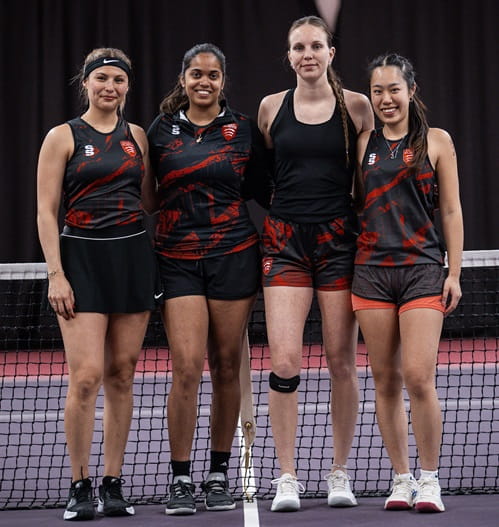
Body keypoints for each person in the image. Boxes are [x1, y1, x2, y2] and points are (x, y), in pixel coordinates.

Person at [143, 43, 271, 515]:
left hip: (234, 255)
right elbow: (148, 198)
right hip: (176, 259)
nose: (204, 82)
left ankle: (218, 473)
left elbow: (265, 189)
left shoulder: (242, 131)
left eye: (213, 75)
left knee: (226, 366)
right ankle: (180, 477)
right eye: (196, 73)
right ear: (183, 79)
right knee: (185, 368)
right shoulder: (161, 131)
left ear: (223, 81)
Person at [37, 48, 160, 521]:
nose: (110, 87)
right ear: (85, 83)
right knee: (86, 376)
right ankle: (79, 485)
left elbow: (148, 199)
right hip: (81, 262)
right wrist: (56, 273)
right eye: (101, 79)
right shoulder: (62, 136)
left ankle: (112, 484)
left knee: (123, 375)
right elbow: (46, 211)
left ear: (128, 86)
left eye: (119, 80)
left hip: (132, 261)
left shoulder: (137, 138)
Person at [257, 15, 374, 512]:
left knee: (342, 363)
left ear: (331, 52)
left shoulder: (357, 107)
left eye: (316, 46)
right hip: (284, 242)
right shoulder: (269, 109)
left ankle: (340, 472)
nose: (307, 54)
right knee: (284, 362)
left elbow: (369, 178)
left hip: (339, 244)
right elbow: (265, 175)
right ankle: (287, 475)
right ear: (288, 56)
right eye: (298, 47)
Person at [352, 53, 463, 513]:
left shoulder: (437, 141)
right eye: (377, 91)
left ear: (411, 90)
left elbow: (451, 210)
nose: (386, 98)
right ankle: (401, 478)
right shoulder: (362, 144)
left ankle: (430, 479)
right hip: (371, 274)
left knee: (419, 376)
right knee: (385, 381)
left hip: (421, 271)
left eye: (394, 89)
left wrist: (453, 271)